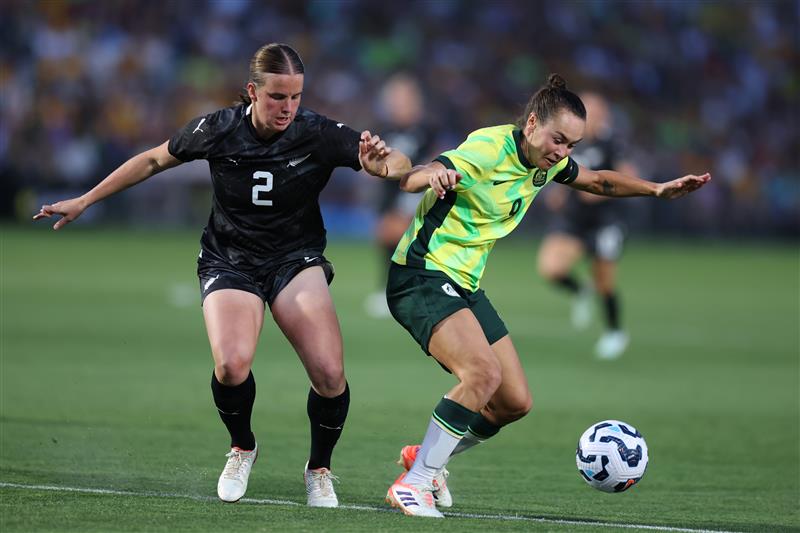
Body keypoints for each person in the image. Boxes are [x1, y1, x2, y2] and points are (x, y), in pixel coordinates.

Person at [33, 43, 411, 507]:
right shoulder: (218, 128)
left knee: (330, 373)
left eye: (295, 97)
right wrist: (86, 200)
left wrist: (383, 166)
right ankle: (243, 447)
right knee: (231, 365)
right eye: (277, 97)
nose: (288, 107)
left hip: (295, 260)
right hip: (229, 259)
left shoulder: (318, 132)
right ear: (252, 91)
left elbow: (396, 164)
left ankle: (319, 469)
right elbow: (153, 159)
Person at [383, 74, 710, 518]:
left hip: (464, 284)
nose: (563, 152)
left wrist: (656, 189)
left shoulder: (546, 162)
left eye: (572, 145)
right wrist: (433, 173)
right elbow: (411, 179)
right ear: (532, 123)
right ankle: (415, 483)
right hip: (421, 276)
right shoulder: (488, 149)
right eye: (558, 139)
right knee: (481, 375)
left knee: (514, 402)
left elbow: (598, 182)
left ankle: (427, 458)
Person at [536, 91, 639, 359]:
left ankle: (615, 331)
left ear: (604, 117)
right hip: (574, 218)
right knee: (550, 268)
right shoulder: (571, 143)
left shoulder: (612, 144)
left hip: (605, 221)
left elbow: (630, 176)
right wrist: (557, 193)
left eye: (592, 112)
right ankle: (580, 291)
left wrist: (600, 190)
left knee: (604, 282)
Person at [364, 73, 438, 318]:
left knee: (405, 242)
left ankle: (400, 293)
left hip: (414, 194)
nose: (398, 104)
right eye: (394, 99)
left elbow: (436, 160)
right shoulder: (385, 130)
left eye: (403, 98)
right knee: (388, 241)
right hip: (388, 196)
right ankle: (392, 292)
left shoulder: (427, 130)